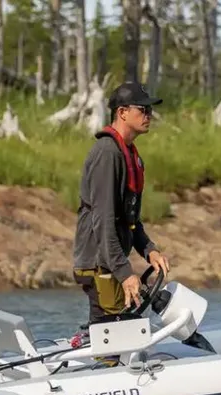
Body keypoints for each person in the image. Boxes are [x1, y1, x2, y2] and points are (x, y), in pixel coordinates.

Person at [72, 81, 171, 326]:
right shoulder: (108, 153)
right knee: (117, 329)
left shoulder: (129, 155)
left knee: (113, 327)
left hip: (108, 262)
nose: (149, 115)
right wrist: (125, 273)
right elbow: (103, 220)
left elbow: (130, 219)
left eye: (150, 110)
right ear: (123, 112)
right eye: (143, 110)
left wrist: (149, 250)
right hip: (98, 264)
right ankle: (102, 350)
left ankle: (95, 345)